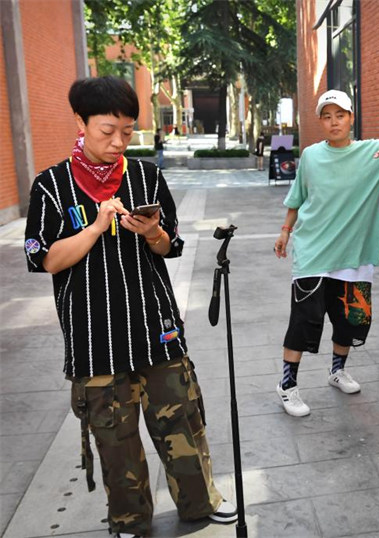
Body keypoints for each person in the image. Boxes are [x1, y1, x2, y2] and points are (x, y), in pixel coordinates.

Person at [23, 76, 237, 538]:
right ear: (79, 122)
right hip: (94, 341)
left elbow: (172, 245)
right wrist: (95, 228)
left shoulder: (146, 176)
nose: (118, 141)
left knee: (183, 425)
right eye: (107, 131)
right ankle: (129, 522)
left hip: (156, 330)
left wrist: (152, 234)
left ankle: (200, 506)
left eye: (127, 130)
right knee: (116, 444)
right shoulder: (51, 186)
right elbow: (43, 259)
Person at [273, 89, 379, 417]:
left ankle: (337, 370)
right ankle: (287, 385)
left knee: (350, 322)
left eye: (340, 115)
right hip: (313, 253)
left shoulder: (375, 153)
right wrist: (285, 232)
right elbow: (297, 197)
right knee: (303, 322)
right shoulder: (311, 156)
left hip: (354, 257)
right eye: (326, 116)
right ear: (321, 122)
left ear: (351, 118)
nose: (333, 122)